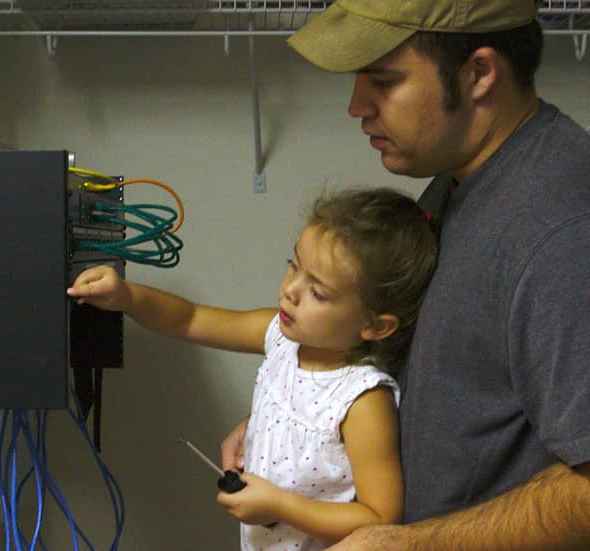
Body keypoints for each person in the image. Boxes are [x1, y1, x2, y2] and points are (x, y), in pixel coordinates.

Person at [221, 1, 590, 549]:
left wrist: (411, 545)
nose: (356, 106)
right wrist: (297, 420)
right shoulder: (461, 185)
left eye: (383, 80)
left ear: (479, 73)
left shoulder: (561, 230)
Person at [68, 188, 438, 549]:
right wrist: (127, 297)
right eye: (293, 266)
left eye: (318, 292)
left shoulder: (362, 400)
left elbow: (379, 520)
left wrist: (280, 505)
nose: (291, 290)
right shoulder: (280, 336)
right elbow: (190, 319)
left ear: (375, 326)